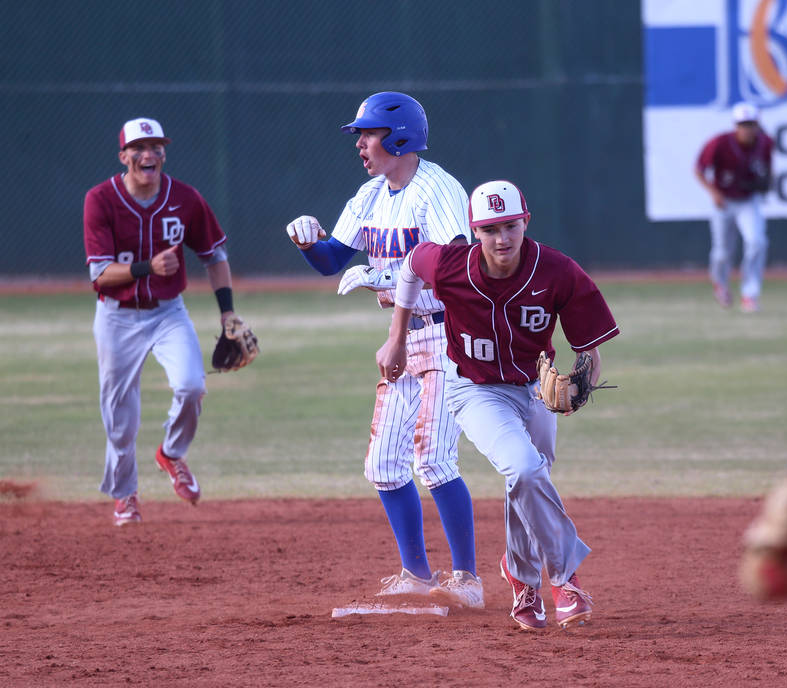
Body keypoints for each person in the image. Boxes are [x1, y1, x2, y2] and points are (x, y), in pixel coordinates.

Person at [376, 180, 620, 631]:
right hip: (475, 390)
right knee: (524, 468)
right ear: (474, 231)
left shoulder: (557, 270)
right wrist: (397, 339)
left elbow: (590, 348)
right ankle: (565, 580)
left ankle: (520, 577)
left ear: (526, 222)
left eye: (510, 226)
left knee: (528, 479)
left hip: (534, 388)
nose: (502, 239)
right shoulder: (450, 265)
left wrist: (586, 379)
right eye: (489, 230)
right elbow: (409, 265)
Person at [284, 92, 482, 608]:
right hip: (405, 335)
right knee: (385, 464)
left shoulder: (435, 190)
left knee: (434, 458)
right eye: (361, 135)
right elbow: (332, 260)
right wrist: (309, 243)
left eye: (368, 134)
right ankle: (416, 575)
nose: (361, 144)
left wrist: (389, 283)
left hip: (446, 332)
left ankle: (467, 580)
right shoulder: (372, 195)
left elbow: (455, 263)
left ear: (398, 138)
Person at [83, 117, 244, 526]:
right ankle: (124, 496)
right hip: (116, 317)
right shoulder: (100, 199)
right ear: (124, 157)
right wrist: (147, 267)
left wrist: (227, 313)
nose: (148, 153)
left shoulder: (185, 199)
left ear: (164, 153)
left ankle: (171, 454)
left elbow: (215, 256)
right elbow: (100, 275)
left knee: (192, 385)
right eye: (138, 147)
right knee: (120, 418)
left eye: (155, 146)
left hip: (167, 312)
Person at [695, 102, 774, 312]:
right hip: (724, 201)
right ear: (735, 125)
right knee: (722, 252)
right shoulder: (720, 143)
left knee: (757, 242)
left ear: (757, 124)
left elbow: (767, 171)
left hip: (749, 200)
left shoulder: (765, 143)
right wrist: (714, 193)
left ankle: (750, 294)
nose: (747, 128)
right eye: (743, 124)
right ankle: (720, 283)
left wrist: (765, 184)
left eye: (751, 123)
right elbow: (699, 169)